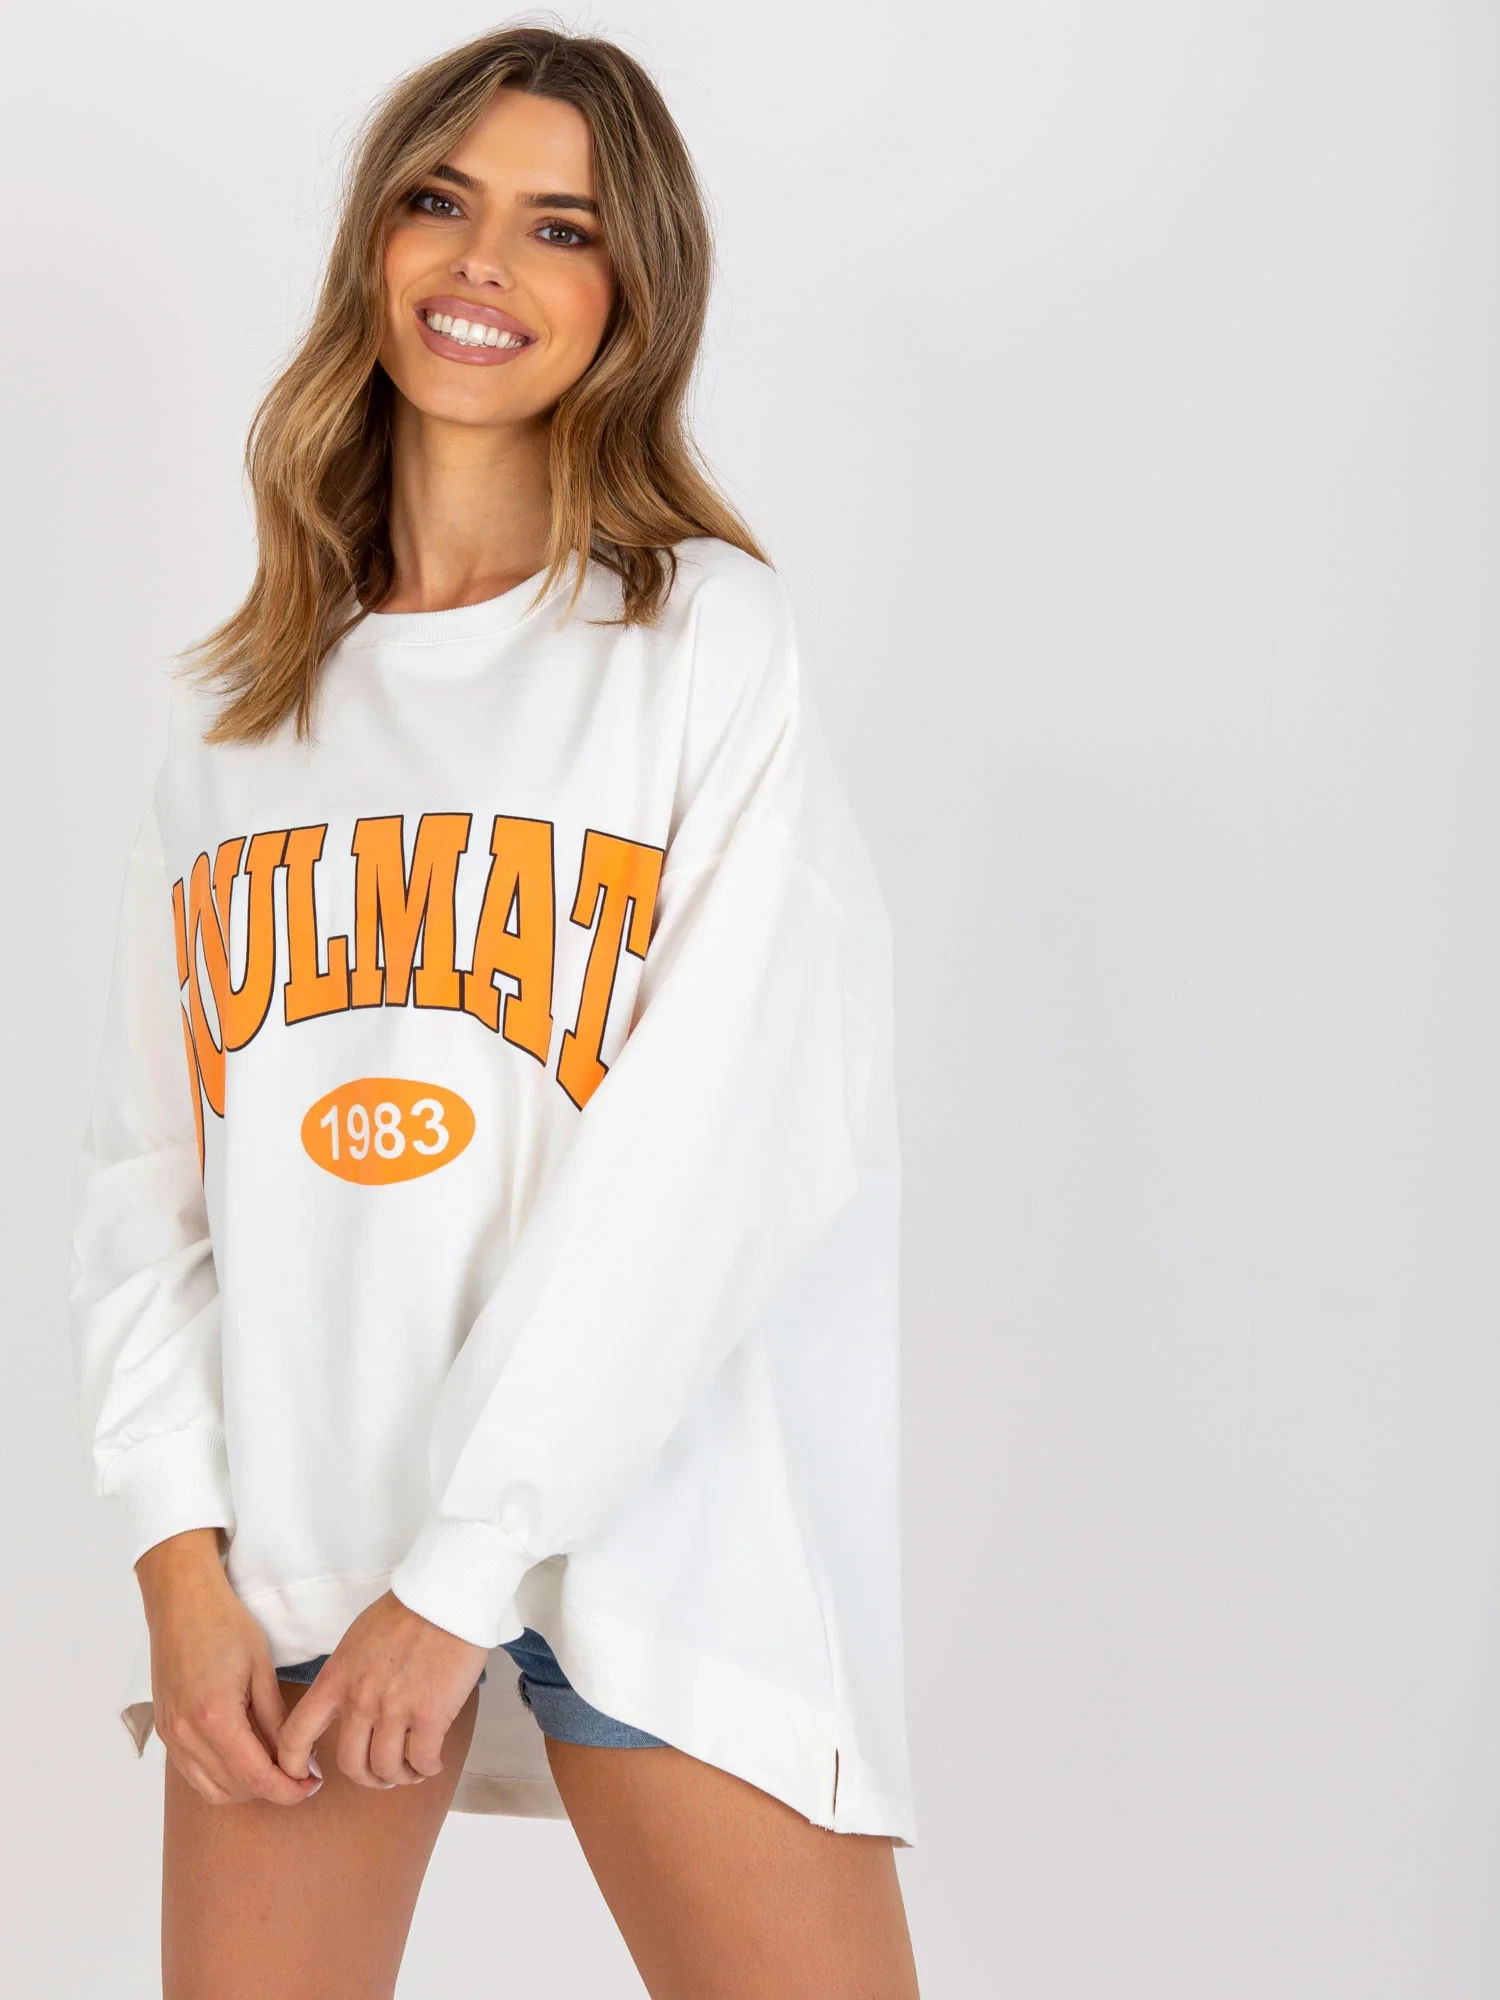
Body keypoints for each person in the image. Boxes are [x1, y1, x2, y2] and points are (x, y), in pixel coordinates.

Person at [68, 24, 919, 1997]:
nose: (482, 263)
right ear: (374, 242)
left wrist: (464, 1571)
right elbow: (145, 1184)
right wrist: (179, 1566)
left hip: (657, 1533)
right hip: (303, 1547)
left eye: (562, 227)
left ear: (633, 295)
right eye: (441, 201)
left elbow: (721, 1149)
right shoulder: (236, 710)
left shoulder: (698, 641)